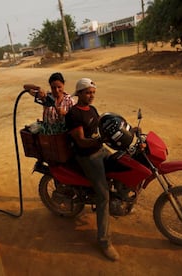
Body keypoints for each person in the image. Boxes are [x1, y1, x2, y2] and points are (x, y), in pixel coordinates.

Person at [65, 78, 120, 261]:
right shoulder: (74, 114)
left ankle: (120, 202)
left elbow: (99, 131)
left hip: (100, 150)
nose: (91, 95)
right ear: (79, 93)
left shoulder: (93, 109)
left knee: (121, 163)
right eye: (88, 92)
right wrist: (100, 141)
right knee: (103, 195)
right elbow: (81, 141)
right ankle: (104, 241)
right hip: (87, 156)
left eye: (93, 92)